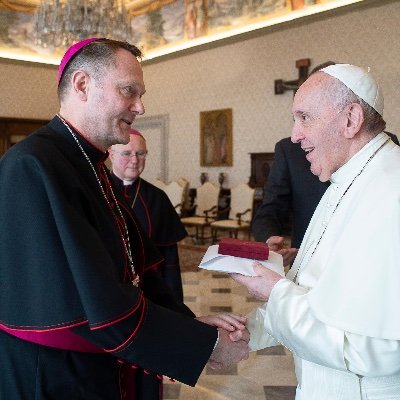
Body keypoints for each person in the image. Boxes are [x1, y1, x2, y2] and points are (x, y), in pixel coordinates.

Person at [0, 38, 249, 400]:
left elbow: (132, 269)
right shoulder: (32, 165)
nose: (140, 106)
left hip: (94, 366)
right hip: (52, 376)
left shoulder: (91, 164)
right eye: (128, 91)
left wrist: (186, 323)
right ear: (82, 85)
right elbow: (91, 299)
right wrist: (202, 345)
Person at [232, 64, 400, 399]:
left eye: (304, 117)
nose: (294, 135)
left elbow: (374, 350)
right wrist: (249, 333)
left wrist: (275, 291)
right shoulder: (350, 177)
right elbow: (327, 298)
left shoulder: (389, 190)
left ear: (350, 120)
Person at [109, 129, 186, 302]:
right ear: (111, 154)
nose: (134, 160)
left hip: (150, 293)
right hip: (108, 289)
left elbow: (170, 262)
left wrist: (176, 306)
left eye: (140, 153)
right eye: (127, 153)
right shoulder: (95, 190)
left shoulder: (158, 198)